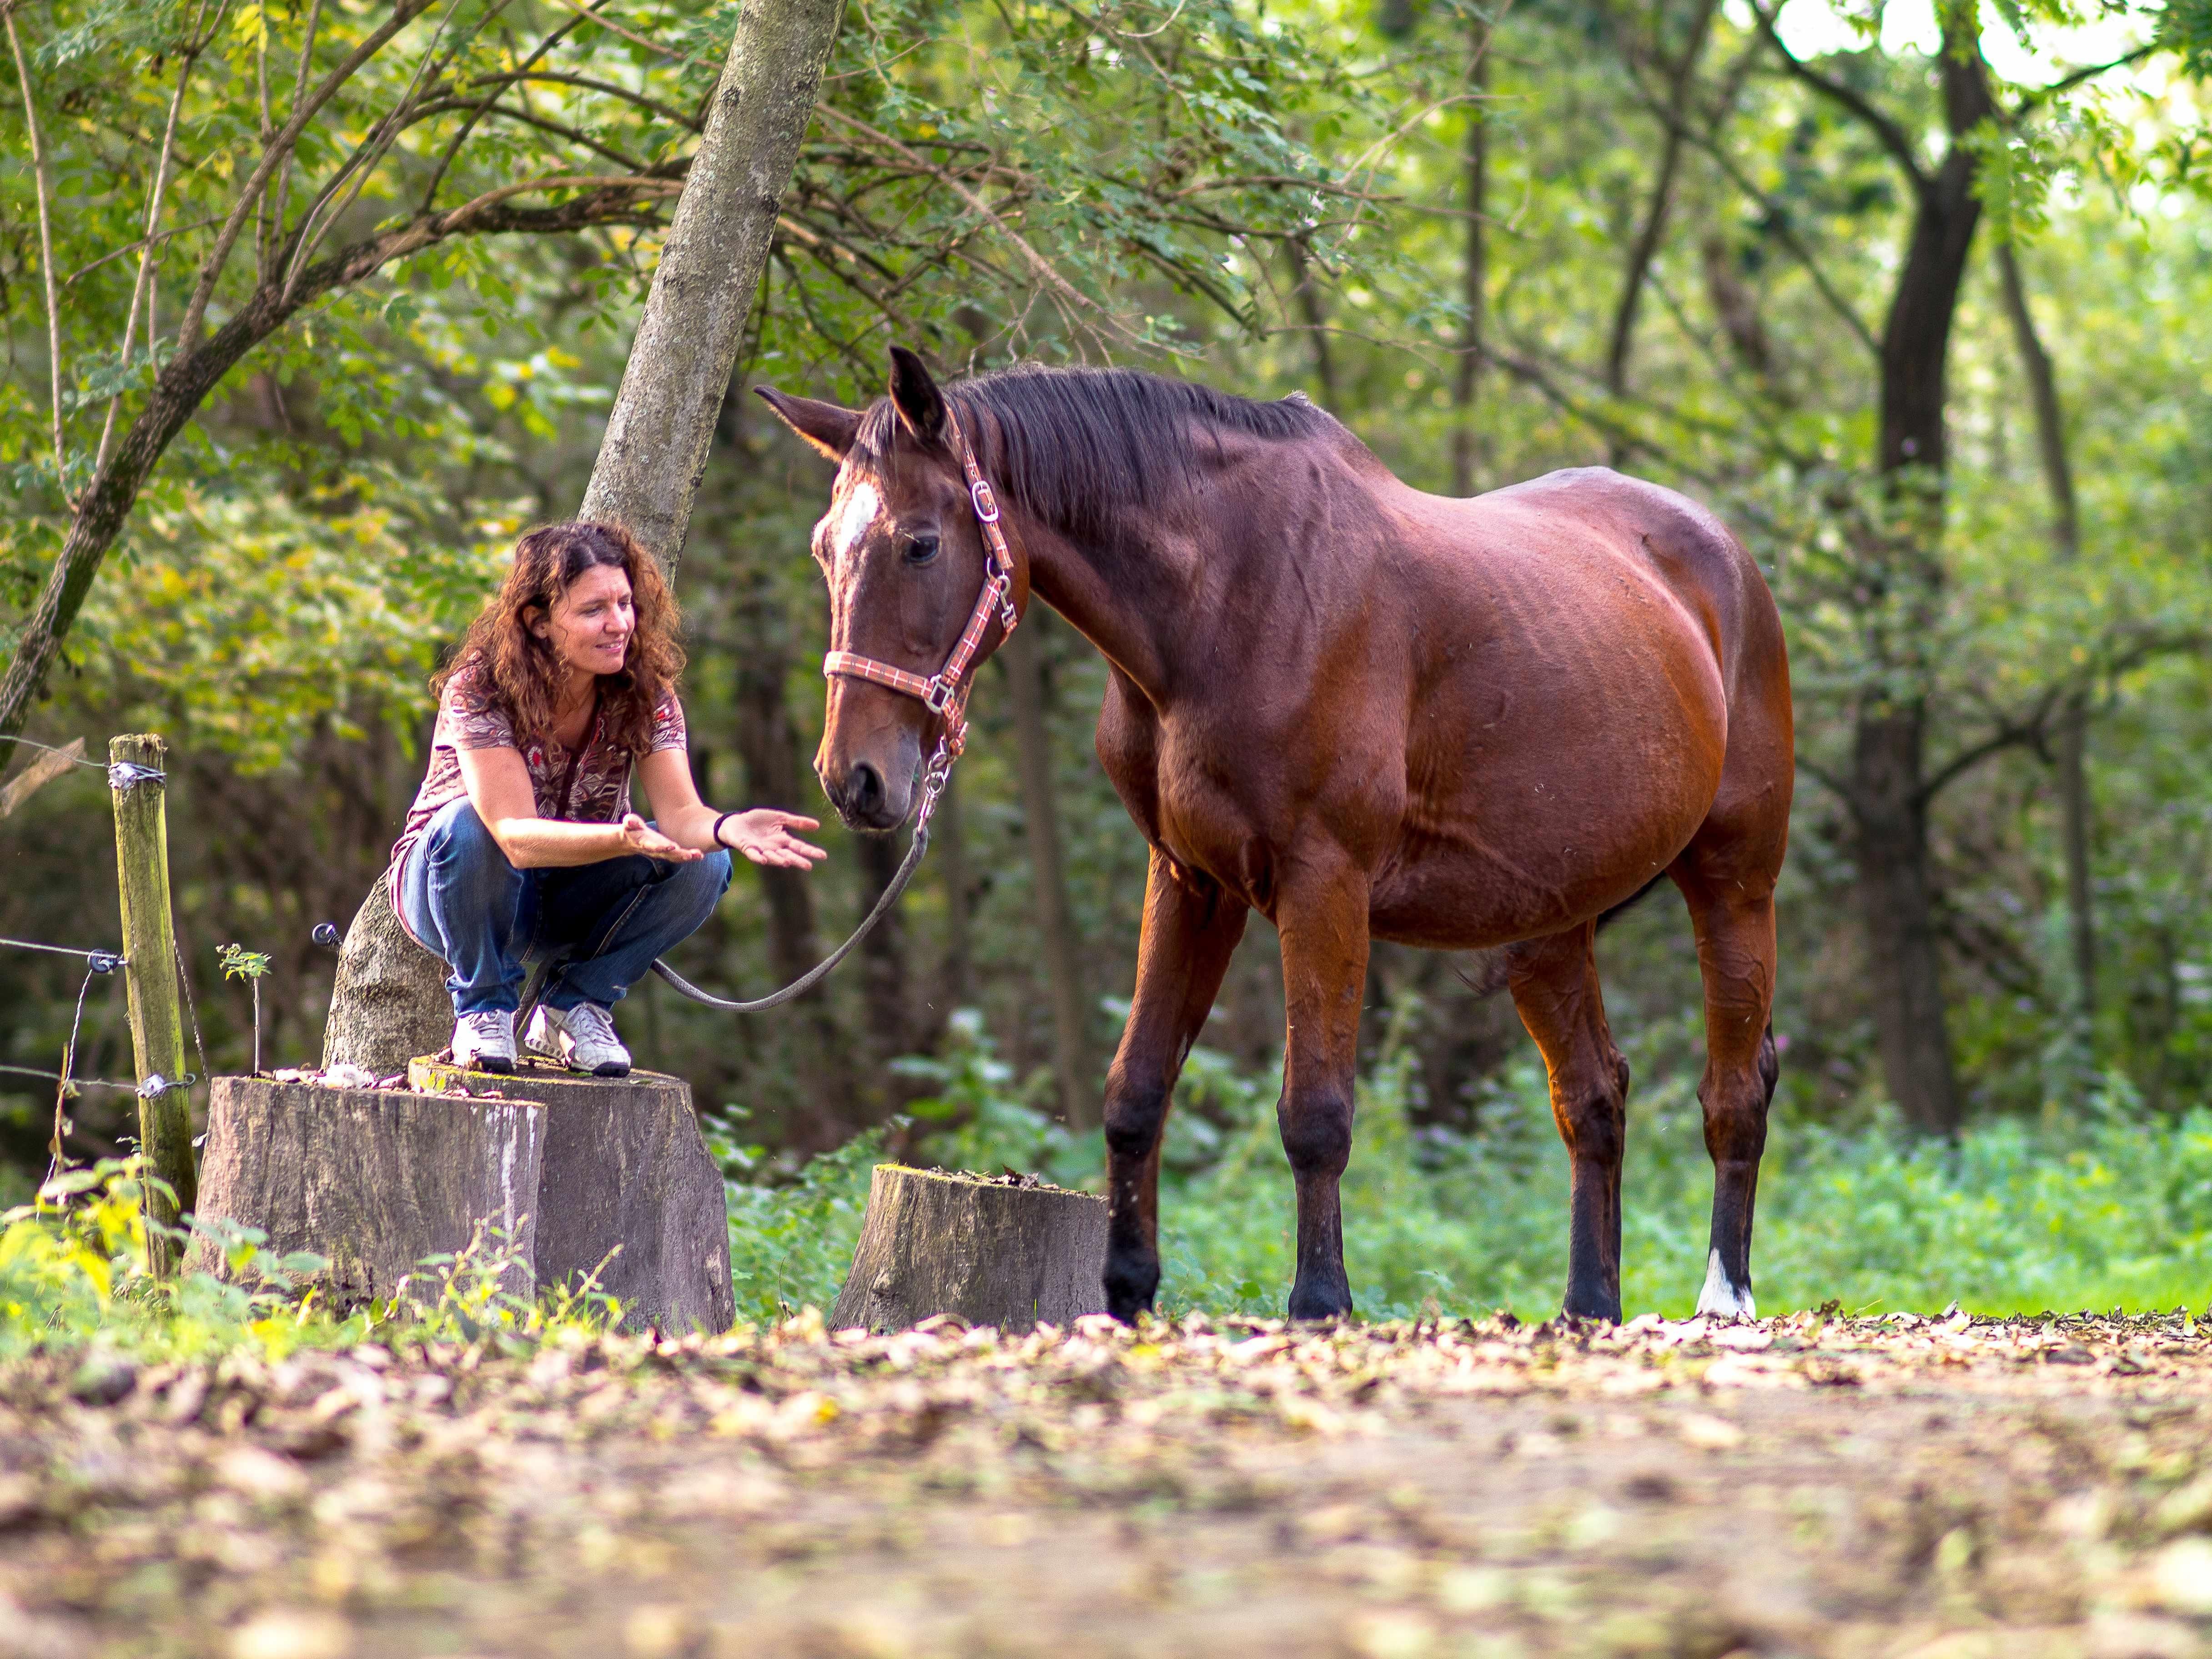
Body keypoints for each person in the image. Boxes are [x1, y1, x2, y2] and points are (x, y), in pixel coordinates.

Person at [388, 521, 826, 1076]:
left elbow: (683, 816)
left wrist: (727, 829)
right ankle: (484, 1009)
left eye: (625, 603)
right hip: (449, 886)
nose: (618, 623)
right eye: (594, 610)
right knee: (467, 823)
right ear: (539, 622)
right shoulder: (480, 688)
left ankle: (574, 1006)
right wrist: (619, 838)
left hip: (565, 890)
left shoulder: (646, 692)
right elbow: (513, 837)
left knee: (705, 865)